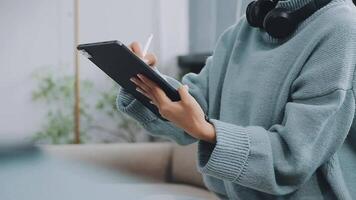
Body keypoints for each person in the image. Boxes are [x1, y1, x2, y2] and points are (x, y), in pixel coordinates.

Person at [117, 0, 356, 199]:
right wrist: (143, 81)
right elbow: (194, 101)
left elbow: (292, 157)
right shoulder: (246, 28)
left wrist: (207, 130)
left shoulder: (340, 27)